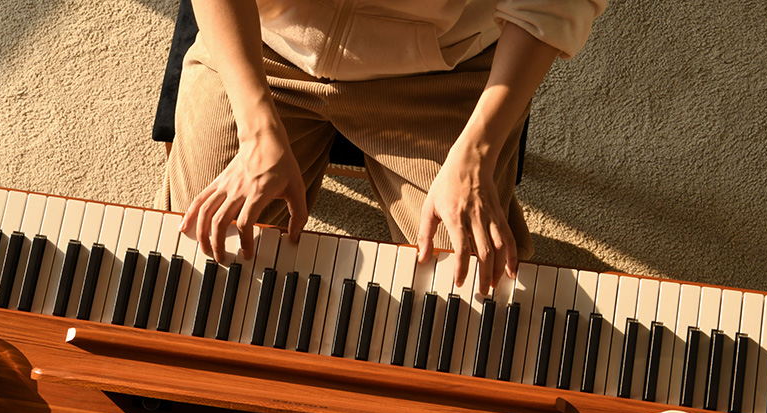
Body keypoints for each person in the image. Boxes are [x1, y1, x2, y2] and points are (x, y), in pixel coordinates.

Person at [163, 0, 606, 294]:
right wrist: (256, 128)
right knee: (204, 257)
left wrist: (477, 156)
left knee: (466, 284)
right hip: (267, 46)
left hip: (445, 70)